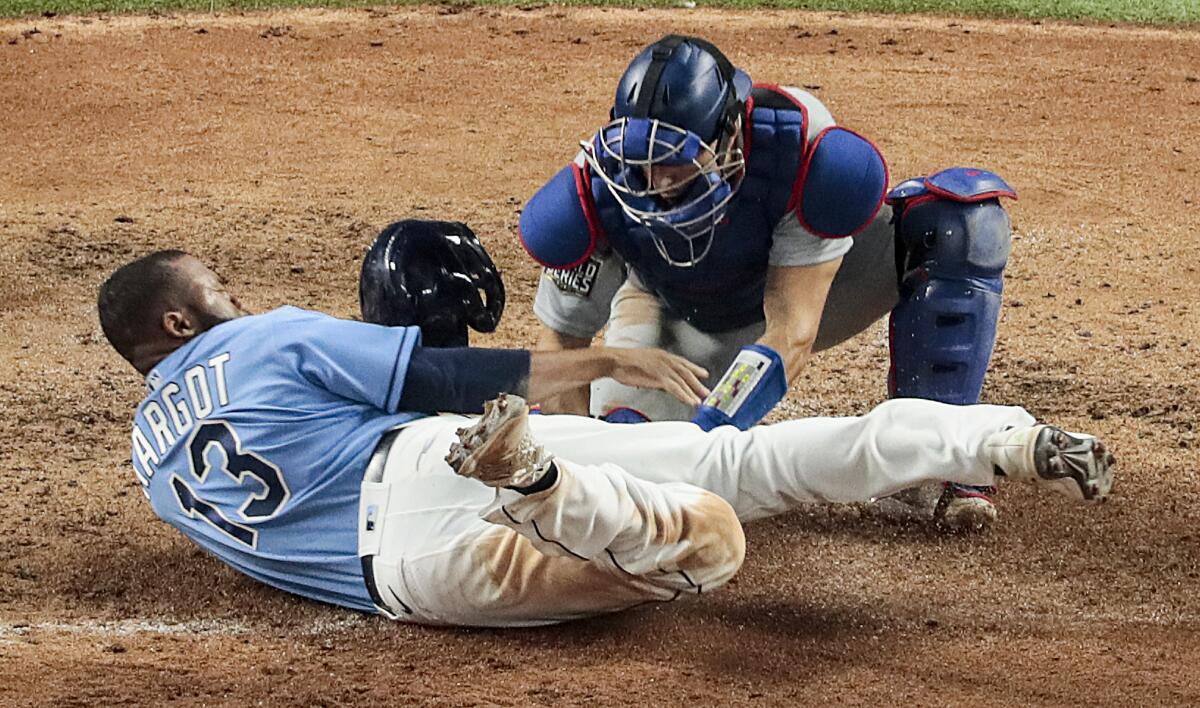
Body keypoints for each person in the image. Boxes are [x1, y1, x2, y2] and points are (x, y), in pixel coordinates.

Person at [95, 222, 1113, 627]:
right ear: (176, 321)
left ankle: (546, 492)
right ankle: (996, 439)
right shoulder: (254, 344)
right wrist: (608, 356)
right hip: (423, 461)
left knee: (701, 548)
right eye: (215, 292)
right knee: (738, 469)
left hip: (409, 580)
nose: (233, 299)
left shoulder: (149, 463)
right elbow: (446, 372)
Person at [518, 34, 1018, 529]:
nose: (658, 183)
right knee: (631, 467)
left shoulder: (796, 149)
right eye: (643, 162)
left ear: (729, 133)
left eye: (677, 159)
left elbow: (791, 331)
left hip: (808, 290)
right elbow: (562, 347)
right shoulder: (593, 191)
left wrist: (711, 432)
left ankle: (940, 458)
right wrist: (575, 467)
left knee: (958, 228)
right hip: (678, 320)